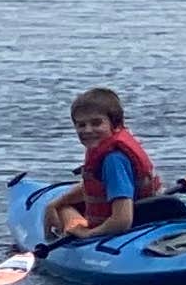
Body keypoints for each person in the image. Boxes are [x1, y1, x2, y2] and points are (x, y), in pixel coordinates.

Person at [41, 86, 170, 242]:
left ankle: (59, 236)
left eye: (96, 123)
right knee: (60, 206)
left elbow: (122, 220)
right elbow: (94, 186)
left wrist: (88, 234)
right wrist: (54, 204)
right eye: (81, 125)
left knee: (65, 211)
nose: (88, 130)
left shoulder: (113, 160)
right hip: (143, 218)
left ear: (115, 124)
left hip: (129, 229)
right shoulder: (104, 149)